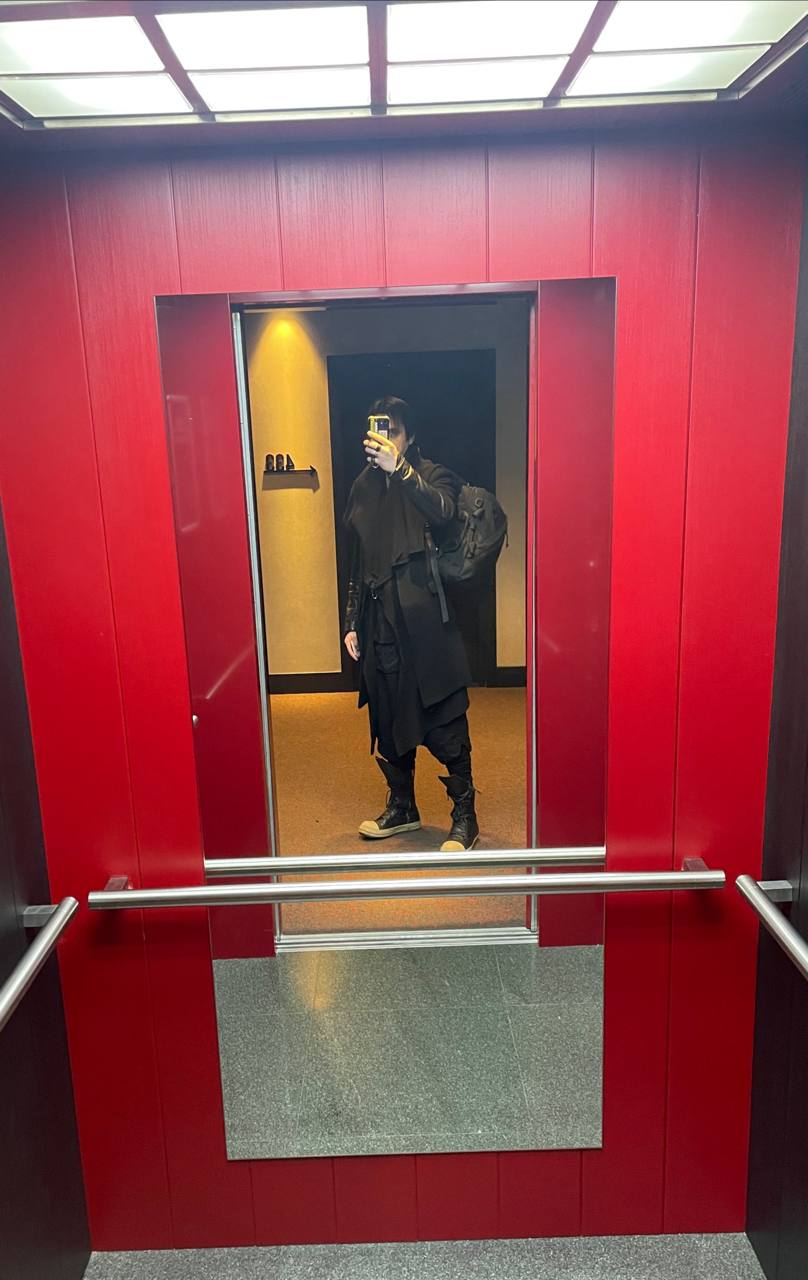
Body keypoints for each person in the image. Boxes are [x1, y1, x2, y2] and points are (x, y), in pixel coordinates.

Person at [342, 395, 479, 853]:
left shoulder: (430, 474)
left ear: (410, 435)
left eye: (394, 430)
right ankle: (403, 806)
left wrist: (400, 469)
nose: (384, 437)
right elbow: (358, 557)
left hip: (424, 622)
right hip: (378, 618)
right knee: (386, 710)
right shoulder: (362, 486)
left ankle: (465, 815)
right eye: (377, 428)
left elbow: (443, 511)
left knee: (442, 715)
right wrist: (351, 619)